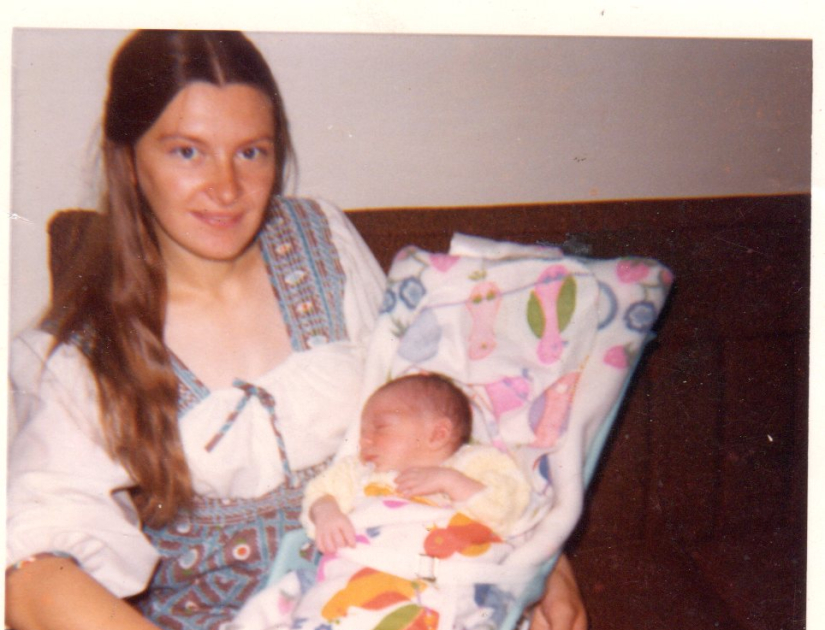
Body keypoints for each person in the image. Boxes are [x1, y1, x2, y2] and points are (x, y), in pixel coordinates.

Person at [5, 30, 587, 630]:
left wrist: (545, 559)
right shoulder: (83, 352)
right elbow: (30, 572)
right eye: (187, 152)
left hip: (399, 581)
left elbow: (443, 400)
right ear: (128, 162)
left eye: (251, 153)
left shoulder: (323, 241)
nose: (226, 189)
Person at [232, 372, 532, 630]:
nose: (365, 441)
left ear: (438, 434)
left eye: (380, 428)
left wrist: (450, 481)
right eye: (363, 433)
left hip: (438, 584)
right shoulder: (359, 473)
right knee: (286, 595)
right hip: (355, 577)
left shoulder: (474, 464)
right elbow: (319, 493)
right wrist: (327, 512)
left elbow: (507, 507)